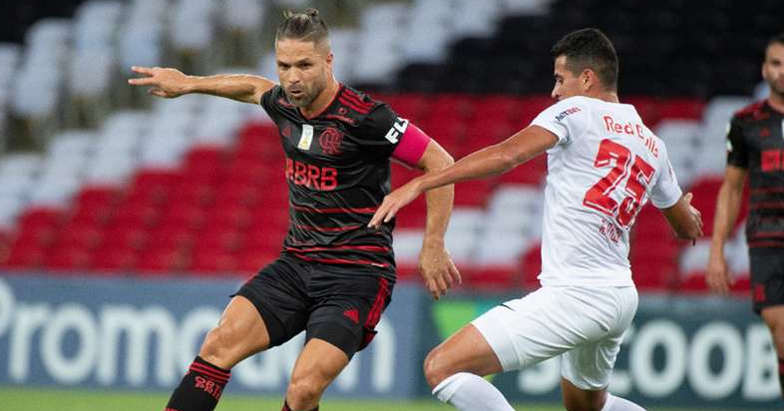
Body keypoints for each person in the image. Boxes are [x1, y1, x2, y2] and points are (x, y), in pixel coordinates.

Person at [129, 9, 460, 411]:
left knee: (302, 389)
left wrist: (434, 244)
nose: (293, 77)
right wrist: (188, 84)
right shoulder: (284, 102)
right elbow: (253, 88)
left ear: (328, 61)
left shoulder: (367, 118)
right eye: (284, 66)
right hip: (296, 264)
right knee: (217, 344)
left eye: (304, 65)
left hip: (356, 275)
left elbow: (439, 161)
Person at [369, 28, 703, 411]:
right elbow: (686, 227)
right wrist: (689, 213)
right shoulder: (651, 142)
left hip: (577, 294)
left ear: (588, 78)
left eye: (560, 79)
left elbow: (507, 155)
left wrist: (421, 183)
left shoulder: (575, 111)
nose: (554, 91)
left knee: (441, 367)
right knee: (585, 406)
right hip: (619, 296)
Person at [707, 32, 784, 400]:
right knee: (780, 333)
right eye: (776, 63)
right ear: (764, 69)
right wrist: (717, 250)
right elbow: (732, 187)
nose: (782, 72)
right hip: (767, 238)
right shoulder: (746, 123)